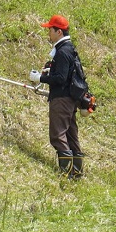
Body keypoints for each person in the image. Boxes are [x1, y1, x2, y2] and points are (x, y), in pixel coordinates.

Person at [32, 14, 85, 179]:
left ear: (59, 32)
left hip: (61, 99)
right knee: (70, 134)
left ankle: (65, 174)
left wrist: (40, 78)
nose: (49, 33)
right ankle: (76, 173)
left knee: (57, 134)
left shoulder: (62, 52)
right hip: (70, 99)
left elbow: (61, 79)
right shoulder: (70, 49)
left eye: (50, 30)